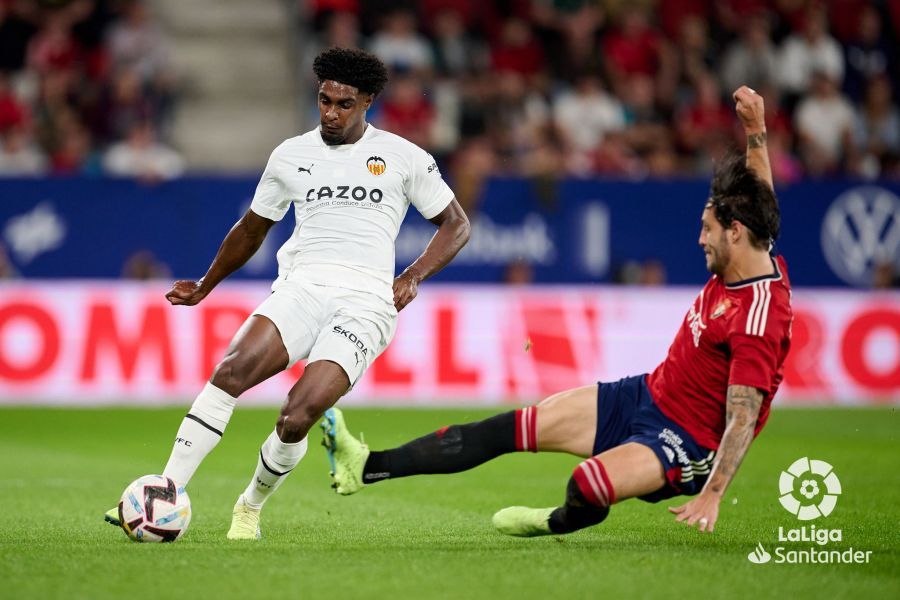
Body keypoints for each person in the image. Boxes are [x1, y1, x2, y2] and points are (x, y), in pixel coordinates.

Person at [322, 85, 791, 537]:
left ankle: (560, 521)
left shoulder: (756, 318)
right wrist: (756, 129)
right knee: (511, 427)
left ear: (733, 233)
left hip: (685, 443)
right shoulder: (753, 243)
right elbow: (759, 200)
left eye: (707, 230)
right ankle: (366, 466)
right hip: (647, 395)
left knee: (586, 486)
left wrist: (712, 492)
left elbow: (743, 416)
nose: (700, 239)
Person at [103, 47, 471, 539]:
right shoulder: (291, 155)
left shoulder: (404, 157)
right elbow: (252, 229)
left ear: (367, 102)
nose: (331, 113)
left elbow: (456, 224)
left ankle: (249, 505)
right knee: (229, 372)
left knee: (297, 415)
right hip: (301, 287)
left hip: (365, 304)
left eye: (343, 104)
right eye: (323, 101)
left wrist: (414, 275)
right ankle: (165, 491)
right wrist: (206, 286)